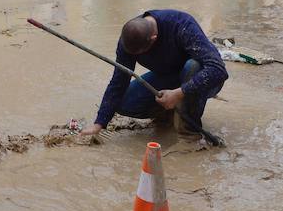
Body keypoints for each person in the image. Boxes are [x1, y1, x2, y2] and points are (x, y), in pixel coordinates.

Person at [81, 10, 228, 142]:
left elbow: (218, 70)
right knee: (122, 103)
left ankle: (189, 136)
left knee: (192, 66)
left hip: (201, 79)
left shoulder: (182, 24)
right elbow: (119, 81)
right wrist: (99, 123)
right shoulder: (128, 41)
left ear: (154, 38)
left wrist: (179, 93)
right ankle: (170, 114)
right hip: (169, 77)